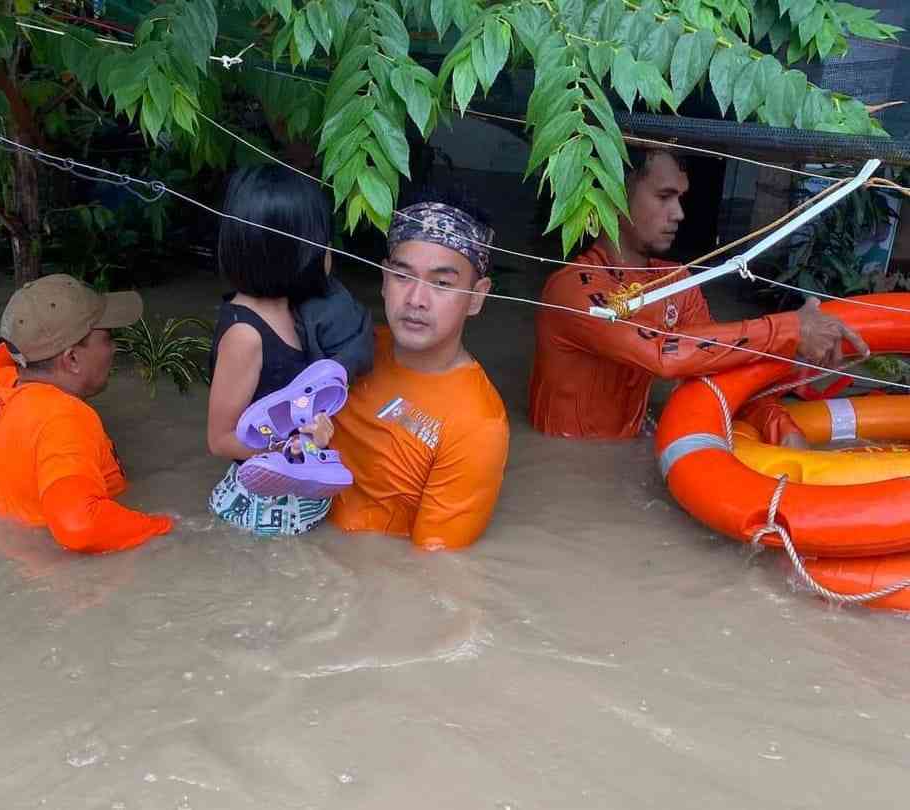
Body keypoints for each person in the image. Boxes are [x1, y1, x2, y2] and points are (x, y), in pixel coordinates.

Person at [528, 147, 868, 441]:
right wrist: (791, 329)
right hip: (572, 460)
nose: (679, 214)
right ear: (612, 196)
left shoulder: (674, 282)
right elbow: (662, 354)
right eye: (664, 197)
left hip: (630, 443)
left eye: (680, 198)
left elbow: (714, 362)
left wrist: (779, 426)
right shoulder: (570, 289)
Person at [329, 190, 510, 550]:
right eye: (402, 276)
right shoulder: (351, 347)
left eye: (441, 284)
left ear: (476, 297)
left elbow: (429, 573)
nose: (415, 300)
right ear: (383, 279)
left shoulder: (477, 426)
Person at [206, 165, 373, 536]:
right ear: (295, 254)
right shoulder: (245, 335)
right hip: (261, 509)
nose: (328, 252)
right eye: (319, 244)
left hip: (302, 495)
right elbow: (219, 440)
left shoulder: (296, 306)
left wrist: (311, 433)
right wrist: (294, 444)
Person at [0, 274, 173, 553]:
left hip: (12, 539)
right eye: (107, 338)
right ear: (72, 359)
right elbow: (78, 525)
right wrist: (162, 528)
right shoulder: (64, 420)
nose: (114, 349)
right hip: (63, 566)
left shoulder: (0, 382)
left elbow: (4, 352)